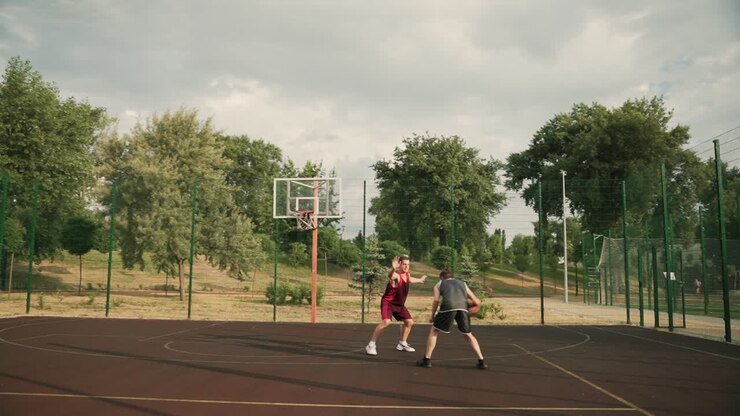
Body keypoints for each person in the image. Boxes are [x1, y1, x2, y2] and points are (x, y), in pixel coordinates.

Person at [416, 270, 487, 369]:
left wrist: (432, 315)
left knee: (434, 330)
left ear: (441, 278)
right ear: (452, 277)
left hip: (448, 306)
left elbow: (436, 300)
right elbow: (476, 301)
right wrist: (472, 309)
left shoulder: (439, 283)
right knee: (468, 334)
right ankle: (481, 361)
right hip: (462, 307)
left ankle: (427, 360)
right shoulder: (463, 283)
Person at [365, 255, 427, 356]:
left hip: (399, 305)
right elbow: (390, 276)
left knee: (409, 322)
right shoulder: (396, 275)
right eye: (404, 264)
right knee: (386, 322)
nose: (406, 266)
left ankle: (402, 343)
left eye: (408, 265)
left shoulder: (406, 275)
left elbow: (410, 279)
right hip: (388, 303)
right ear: (399, 265)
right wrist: (393, 268)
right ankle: (371, 345)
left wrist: (420, 280)